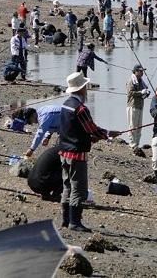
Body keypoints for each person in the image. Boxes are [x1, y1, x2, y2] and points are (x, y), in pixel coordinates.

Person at [58, 71, 121, 231]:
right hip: (76, 154)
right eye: (85, 87)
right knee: (78, 188)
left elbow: (76, 129)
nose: (87, 89)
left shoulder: (65, 104)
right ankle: (75, 222)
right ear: (81, 89)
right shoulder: (80, 109)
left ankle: (65, 220)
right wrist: (107, 134)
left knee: (67, 187)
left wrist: (96, 136)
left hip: (64, 152)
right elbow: (91, 129)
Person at [126, 65, 150, 153]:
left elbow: (143, 92)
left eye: (142, 71)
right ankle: (132, 144)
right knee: (132, 126)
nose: (142, 73)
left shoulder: (141, 81)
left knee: (139, 127)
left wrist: (146, 93)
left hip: (140, 106)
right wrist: (141, 92)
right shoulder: (131, 81)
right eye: (140, 71)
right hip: (132, 106)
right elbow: (130, 92)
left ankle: (137, 144)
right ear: (135, 71)